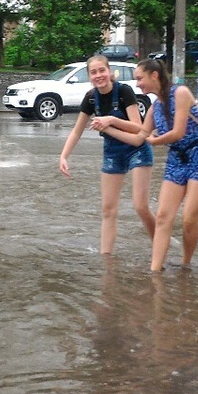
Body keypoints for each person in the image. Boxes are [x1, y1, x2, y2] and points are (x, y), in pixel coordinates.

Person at [111, 58, 198, 272]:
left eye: (140, 78)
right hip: (176, 159)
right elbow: (140, 136)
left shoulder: (181, 93)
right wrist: (109, 126)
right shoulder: (154, 107)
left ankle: (186, 264)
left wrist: (154, 140)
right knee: (162, 216)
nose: (138, 84)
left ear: (155, 75)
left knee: (188, 219)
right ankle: (155, 271)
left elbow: (178, 132)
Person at [59, 55, 156, 255]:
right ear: (89, 76)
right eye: (93, 72)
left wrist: (110, 120)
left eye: (101, 70)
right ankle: (107, 258)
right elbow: (77, 131)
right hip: (113, 152)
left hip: (137, 149)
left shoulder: (124, 92)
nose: (98, 76)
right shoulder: (90, 98)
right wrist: (63, 156)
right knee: (108, 210)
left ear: (109, 71)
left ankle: (159, 243)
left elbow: (138, 128)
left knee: (140, 206)